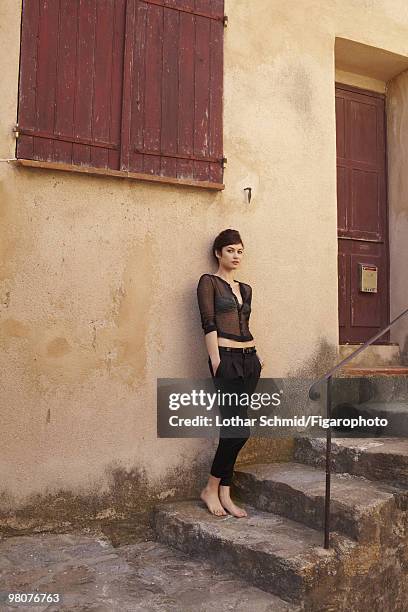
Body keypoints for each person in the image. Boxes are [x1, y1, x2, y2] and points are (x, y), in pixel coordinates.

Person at [196, 229, 264, 518]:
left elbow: (245, 323)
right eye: (230, 251)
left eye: (239, 251)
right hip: (226, 359)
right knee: (238, 429)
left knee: (235, 429)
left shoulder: (245, 288)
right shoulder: (208, 282)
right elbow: (209, 322)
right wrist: (215, 360)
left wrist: (257, 356)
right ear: (218, 253)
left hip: (250, 360)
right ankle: (212, 487)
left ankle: (225, 490)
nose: (236, 256)